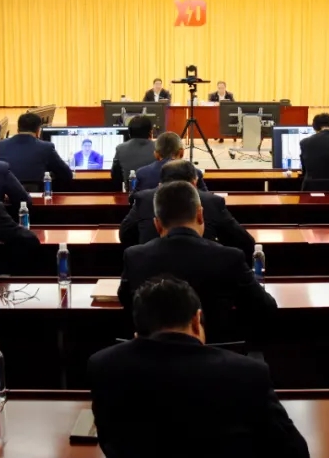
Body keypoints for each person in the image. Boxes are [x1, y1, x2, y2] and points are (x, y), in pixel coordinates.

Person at [89, 278, 309, 458]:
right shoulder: (248, 373)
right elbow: (294, 454)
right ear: (197, 320)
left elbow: (108, 441)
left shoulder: (103, 367)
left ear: (137, 330)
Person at [118, 181, 276, 343]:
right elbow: (265, 307)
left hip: (151, 355)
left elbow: (127, 302)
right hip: (216, 354)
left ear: (157, 224)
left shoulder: (135, 257)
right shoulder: (229, 257)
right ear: (200, 215)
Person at [120, 159, 254, 255]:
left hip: (152, 271)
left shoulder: (144, 199)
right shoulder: (211, 202)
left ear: (160, 184)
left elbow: (125, 234)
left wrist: (141, 251)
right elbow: (244, 242)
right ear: (194, 183)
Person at [0, 112, 74, 185]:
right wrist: (50, 174)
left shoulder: (2, 145)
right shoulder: (46, 147)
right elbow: (67, 174)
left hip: (8, 193)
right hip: (37, 193)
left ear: (17, 129)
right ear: (38, 131)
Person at [133, 131, 208, 192]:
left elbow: (134, 200)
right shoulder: (195, 173)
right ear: (181, 153)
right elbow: (206, 199)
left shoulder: (142, 173)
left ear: (156, 154)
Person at [110, 115, 158, 188]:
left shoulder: (120, 148)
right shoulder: (159, 148)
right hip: (155, 192)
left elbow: (115, 176)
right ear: (151, 132)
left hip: (130, 191)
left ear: (129, 133)